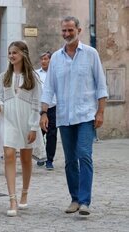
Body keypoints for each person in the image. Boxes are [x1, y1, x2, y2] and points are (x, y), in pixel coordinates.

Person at [40, 16, 108, 216]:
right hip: (64, 116)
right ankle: (75, 199)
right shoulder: (56, 59)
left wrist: (101, 111)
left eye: (70, 30)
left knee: (84, 155)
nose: (67, 34)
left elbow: (101, 85)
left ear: (79, 30)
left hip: (86, 115)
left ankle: (85, 201)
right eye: (64, 31)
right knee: (70, 159)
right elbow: (49, 88)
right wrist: (44, 112)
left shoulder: (90, 54)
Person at [0, 40, 41, 217]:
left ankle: (24, 193)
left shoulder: (32, 78)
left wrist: (34, 126)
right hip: (9, 119)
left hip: (27, 120)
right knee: (9, 156)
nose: (11, 56)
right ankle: (12, 199)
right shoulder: (4, 76)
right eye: (10, 53)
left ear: (23, 55)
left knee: (26, 159)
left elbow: (36, 103)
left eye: (15, 53)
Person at [35, 51, 57, 170]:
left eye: (45, 59)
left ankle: (49, 159)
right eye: (42, 59)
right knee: (39, 133)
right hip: (38, 108)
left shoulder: (55, 74)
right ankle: (40, 156)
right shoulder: (36, 74)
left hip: (52, 108)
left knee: (51, 134)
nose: (43, 61)